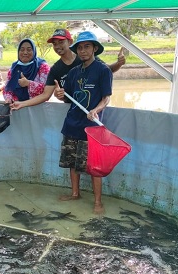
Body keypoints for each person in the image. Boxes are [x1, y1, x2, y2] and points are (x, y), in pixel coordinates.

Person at [59, 31, 113, 215]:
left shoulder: (103, 70)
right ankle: (75, 193)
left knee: (94, 166)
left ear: (95, 48)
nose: (83, 51)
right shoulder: (74, 72)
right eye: (80, 47)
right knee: (72, 162)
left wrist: (96, 110)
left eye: (87, 47)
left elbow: (106, 98)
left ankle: (98, 201)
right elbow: (68, 98)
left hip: (91, 128)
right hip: (71, 124)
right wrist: (59, 96)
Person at [10, 29, 125, 111]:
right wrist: (22, 104)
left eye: (61, 42)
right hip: (72, 112)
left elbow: (106, 71)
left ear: (70, 42)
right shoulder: (56, 69)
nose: (57, 46)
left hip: (92, 111)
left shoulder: (85, 57)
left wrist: (119, 64)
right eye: (54, 44)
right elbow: (46, 95)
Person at [3, 38, 50, 103]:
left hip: (37, 107)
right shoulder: (15, 67)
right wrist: (8, 98)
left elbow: (46, 91)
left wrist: (28, 83)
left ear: (34, 51)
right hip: (17, 107)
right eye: (22, 50)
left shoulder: (42, 66)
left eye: (29, 50)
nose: (25, 53)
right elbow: (7, 88)